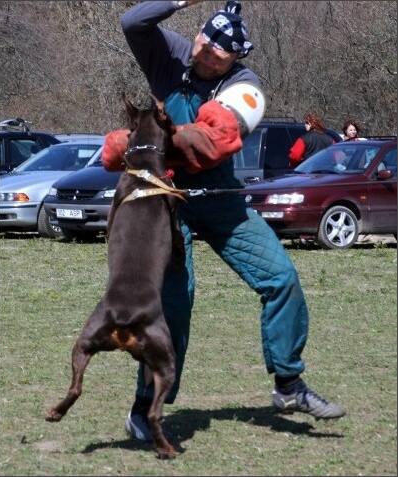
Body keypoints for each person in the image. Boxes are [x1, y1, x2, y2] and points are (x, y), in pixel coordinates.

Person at [116, 0, 346, 442]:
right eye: (204, 39)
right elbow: (132, 21)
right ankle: (147, 407)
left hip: (220, 198)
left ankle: (288, 384)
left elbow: (215, 139)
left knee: (281, 278)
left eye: (218, 51)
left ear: (236, 56)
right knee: (174, 303)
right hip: (169, 200)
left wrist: (148, 140)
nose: (204, 53)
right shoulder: (173, 54)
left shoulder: (244, 84)